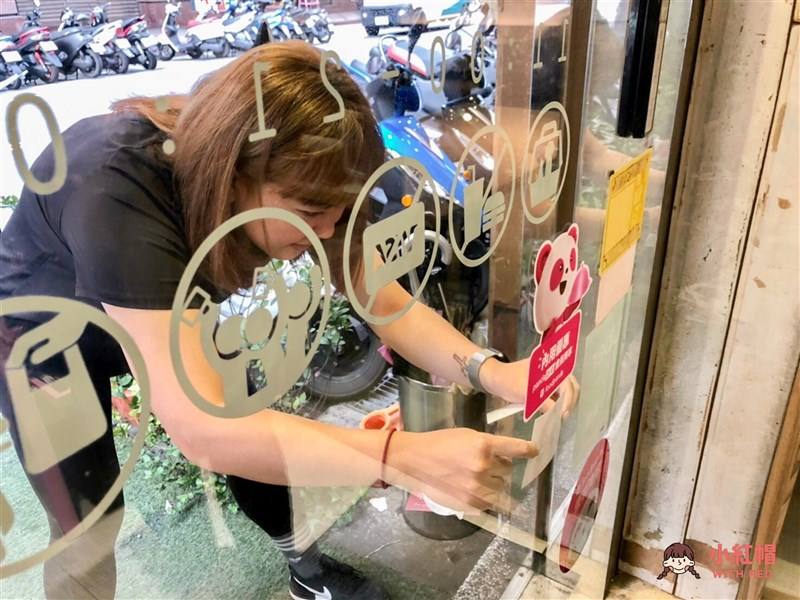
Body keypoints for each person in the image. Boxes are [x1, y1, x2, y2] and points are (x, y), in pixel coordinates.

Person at [0, 42, 541, 599]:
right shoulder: (115, 179)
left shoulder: (300, 173)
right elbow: (206, 431)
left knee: (250, 413)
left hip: (165, 301)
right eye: (309, 215)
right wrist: (400, 459)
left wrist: (493, 372)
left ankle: (305, 568)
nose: (326, 234)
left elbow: (383, 299)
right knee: (89, 523)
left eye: (337, 213)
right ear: (229, 178)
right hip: (43, 337)